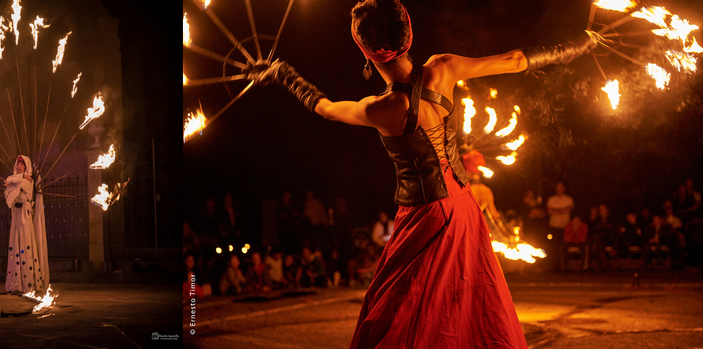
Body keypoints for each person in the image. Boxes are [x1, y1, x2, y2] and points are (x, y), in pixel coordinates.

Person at [255, 0, 602, 346]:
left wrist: (282, 73)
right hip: (463, 205)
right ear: (408, 37)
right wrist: (577, 46)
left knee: (399, 311)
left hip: (425, 215)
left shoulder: (382, 108)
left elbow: (327, 109)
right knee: (470, 304)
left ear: (366, 51)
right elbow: (514, 60)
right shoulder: (443, 67)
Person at [3, 155, 49, 293]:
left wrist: (19, 179)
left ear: (26, 167)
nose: (19, 167)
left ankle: (28, 282)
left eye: (22, 165)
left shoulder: (28, 182)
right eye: (18, 164)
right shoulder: (22, 179)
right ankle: (16, 283)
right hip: (17, 216)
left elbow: (11, 182)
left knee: (25, 245)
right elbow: (8, 188)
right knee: (16, 245)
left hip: (24, 216)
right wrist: (19, 178)